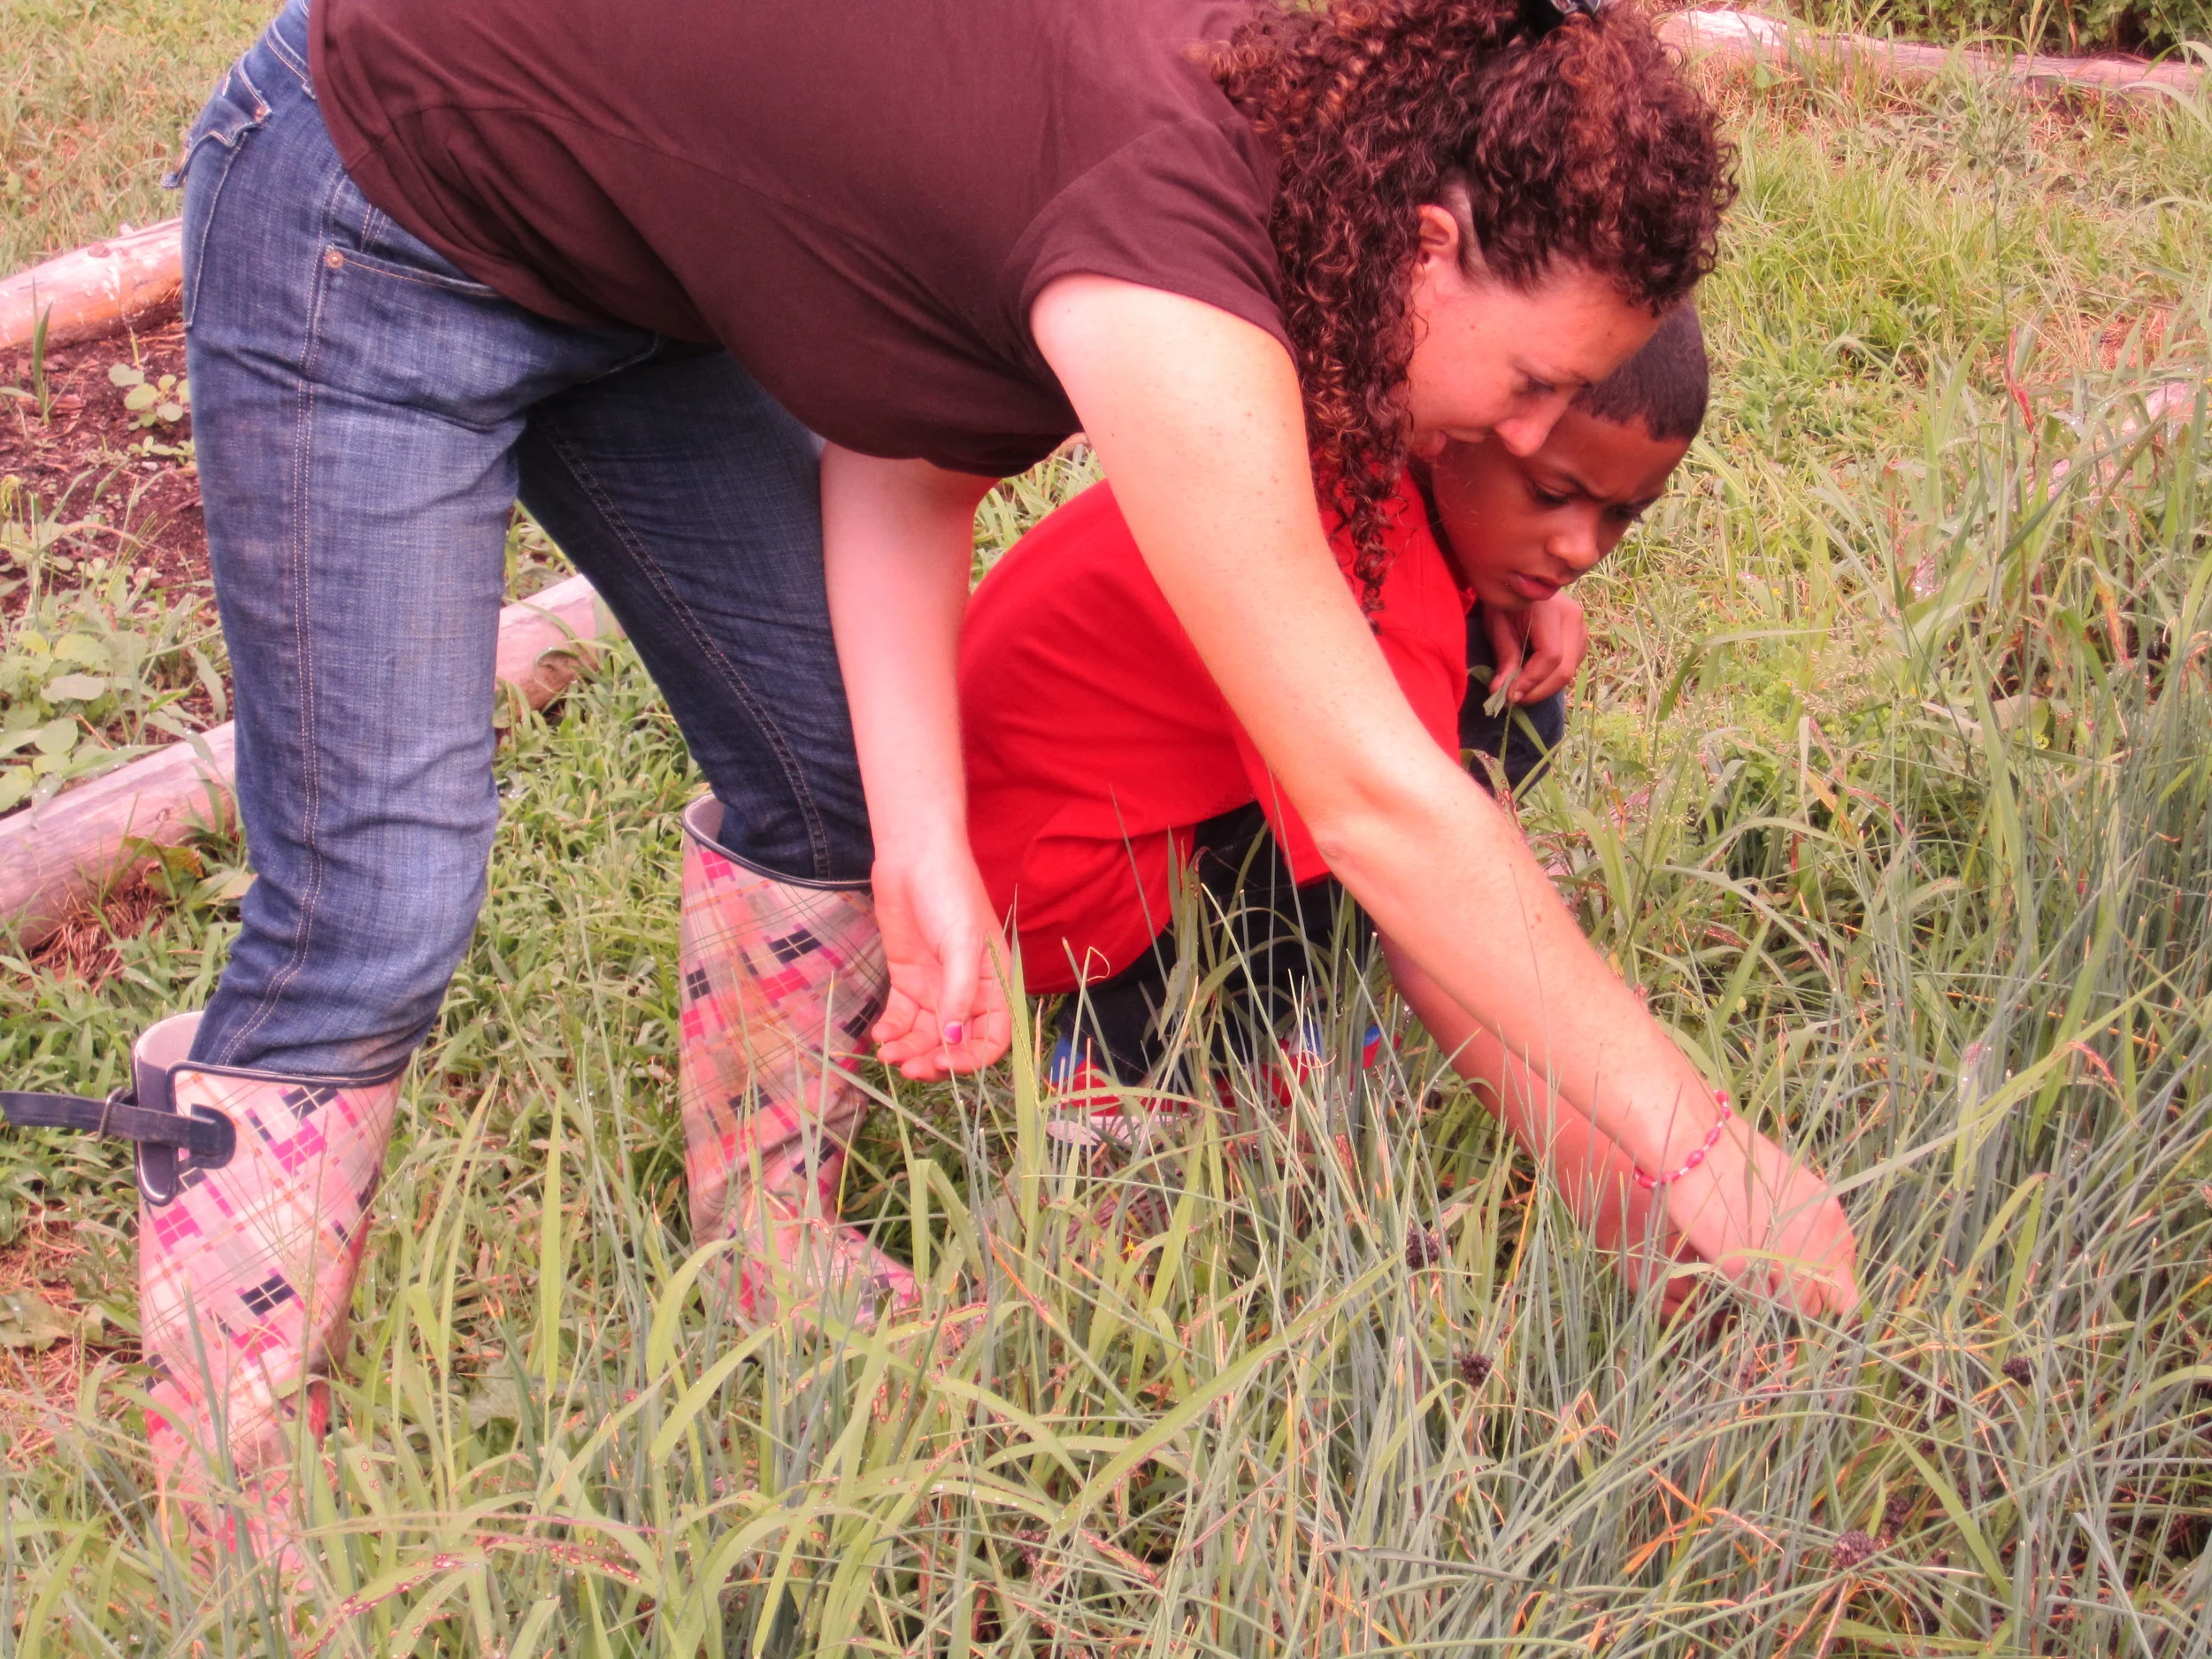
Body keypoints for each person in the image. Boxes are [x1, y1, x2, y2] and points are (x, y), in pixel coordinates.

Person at [0, 0, 1853, 1565]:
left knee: (823, 783)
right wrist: (1701, 1151)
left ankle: (766, 1251)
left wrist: (918, 837)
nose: (1520, 436)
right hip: (379, 202)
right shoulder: (1171, 240)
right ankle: (233, 1504)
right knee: (383, 892)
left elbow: (908, 428)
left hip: (639, 284)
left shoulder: (1295, 187)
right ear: (1433, 243)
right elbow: (1372, 797)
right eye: (1530, 386)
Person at [960, 308, 1726, 1302]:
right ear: (1466, 429)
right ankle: (1129, 1064)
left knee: (1507, 715)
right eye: (1552, 494)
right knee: (1403, 833)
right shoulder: (1368, 575)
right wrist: (1612, 1179)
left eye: (1621, 515)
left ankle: (1264, 1003)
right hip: (1040, 890)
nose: (1581, 545)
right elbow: (1421, 888)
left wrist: (1511, 583)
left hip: (1065, 813)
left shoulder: (1363, 458)